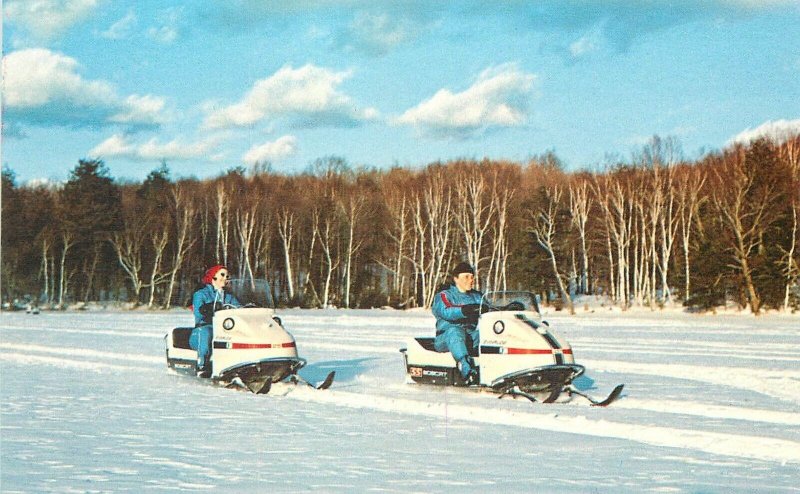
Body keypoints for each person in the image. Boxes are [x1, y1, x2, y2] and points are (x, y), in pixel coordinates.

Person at [431, 262, 487, 385]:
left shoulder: (477, 296)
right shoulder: (444, 295)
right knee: (455, 331)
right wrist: (465, 310)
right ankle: (466, 369)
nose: (471, 280)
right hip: (446, 338)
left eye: (472, 277)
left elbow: (490, 309)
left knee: (489, 335)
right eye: (466, 276)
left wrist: (507, 308)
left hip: (469, 336)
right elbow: (446, 311)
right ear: (456, 278)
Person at [191, 265, 240, 377]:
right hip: (204, 328)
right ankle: (202, 364)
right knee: (207, 332)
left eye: (227, 276)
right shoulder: (201, 294)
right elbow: (198, 313)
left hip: (223, 329)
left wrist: (248, 308)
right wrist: (208, 309)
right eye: (222, 275)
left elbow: (238, 307)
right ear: (213, 277)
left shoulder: (228, 296)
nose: (225, 278)